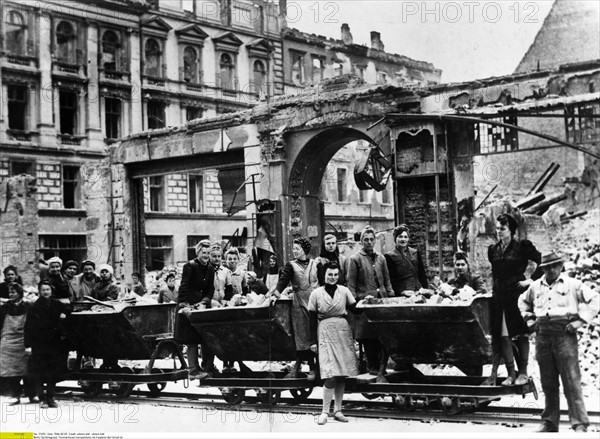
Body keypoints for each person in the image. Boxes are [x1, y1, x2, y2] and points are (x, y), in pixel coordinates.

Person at [519, 251, 599, 433]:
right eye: (547, 267)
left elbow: (595, 299)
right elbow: (522, 301)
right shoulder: (535, 287)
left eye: (555, 266)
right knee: (548, 382)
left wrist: (580, 321)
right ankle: (549, 422)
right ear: (543, 269)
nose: (551, 270)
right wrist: (529, 320)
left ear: (561, 266)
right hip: (542, 336)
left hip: (564, 334)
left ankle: (579, 424)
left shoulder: (572, 284)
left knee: (571, 380)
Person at [485, 213, 542, 386]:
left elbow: (542, 261)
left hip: (517, 296)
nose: (498, 231)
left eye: (502, 228)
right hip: (499, 296)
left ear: (511, 230)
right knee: (503, 335)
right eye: (497, 228)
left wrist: (531, 280)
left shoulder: (522, 247)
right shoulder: (493, 249)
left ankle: (523, 373)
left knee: (521, 334)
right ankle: (511, 374)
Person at [309, 262, 361, 425]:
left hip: (343, 332)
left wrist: (367, 302)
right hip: (325, 332)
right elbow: (311, 319)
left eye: (335, 275)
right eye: (329, 274)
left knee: (341, 374)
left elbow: (355, 309)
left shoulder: (344, 291)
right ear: (323, 275)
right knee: (329, 374)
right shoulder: (316, 293)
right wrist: (313, 341)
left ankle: (338, 410)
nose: (332, 278)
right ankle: (324, 411)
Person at [347, 226, 394, 383]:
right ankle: (372, 367)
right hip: (365, 305)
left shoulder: (381, 258)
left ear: (375, 241)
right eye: (365, 240)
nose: (369, 242)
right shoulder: (355, 259)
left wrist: (390, 295)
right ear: (361, 242)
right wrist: (356, 302)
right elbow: (351, 286)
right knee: (369, 337)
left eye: (371, 239)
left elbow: (387, 280)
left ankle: (382, 367)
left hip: (381, 302)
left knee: (383, 336)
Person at [275, 237, 319, 380]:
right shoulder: (291, 265)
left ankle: (317, 368)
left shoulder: (315, 264)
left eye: (297, 248)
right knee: (302, 337)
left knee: (316, 335)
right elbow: (282, 281)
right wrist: (275, 294)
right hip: (298, 304)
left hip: (315, 301)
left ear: (304, 249)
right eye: (293, 248)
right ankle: (306, 367)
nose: (294, 251)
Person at [24, 280, 73, 408]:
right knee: (39, 371)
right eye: (43, 290)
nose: (46, 292)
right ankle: (42, 399)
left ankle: (50, 397)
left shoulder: (56, 304)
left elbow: (69, 307)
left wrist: (64, 313)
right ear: (39, 291)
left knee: (52, 371)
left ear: (51, 291)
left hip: (53, 342)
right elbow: (28, 327)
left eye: (48, 290)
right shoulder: (34, 307)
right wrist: (28, 345)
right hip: (39, 343)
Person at [176, 239, 215, 380]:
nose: (206, 255)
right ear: (198, 252)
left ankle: (207, 367)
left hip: (202, 307)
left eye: (208, 253)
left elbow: (210, 289)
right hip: (189, 307)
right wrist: (185, 306)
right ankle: (192, 370)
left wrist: (204, 302)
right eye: (203, 252)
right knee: (191, 339)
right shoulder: (190, 266)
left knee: (205, 338)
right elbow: (184, 287)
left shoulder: (210, 268)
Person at [0, 283, 36, 405]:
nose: (11, 295)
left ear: (20, 293)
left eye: (13, 292)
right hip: (8, 341)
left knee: (28, 369)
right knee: (11, 370)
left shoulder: (28, 306)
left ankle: (31, 395)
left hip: (24, 340)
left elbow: (32, 323)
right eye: (9, 292)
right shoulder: (4, 308)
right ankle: (15, 395)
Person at [384, 224, 428, 297]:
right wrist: (401, 292)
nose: (403, 239)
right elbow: (391, 279)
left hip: (418, 292)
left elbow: (422, 275)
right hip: (403, 294)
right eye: (400, 237)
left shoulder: (415, 253)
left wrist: (425, 289)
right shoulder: (389, 256)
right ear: (395, 238)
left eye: (405, 237)